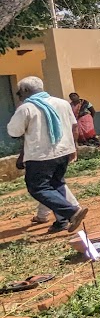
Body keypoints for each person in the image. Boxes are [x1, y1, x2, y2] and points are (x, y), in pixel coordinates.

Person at [7, 77, 89, 233]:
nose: (19, 96)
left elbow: (14, 131)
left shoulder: (27, 108)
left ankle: (72, 212)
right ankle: (62, 220)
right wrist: (74, 147)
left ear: (25, 91)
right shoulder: (63, 103)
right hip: (63, 152)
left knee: (37, 188)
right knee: (56, 184)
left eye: (19, 93)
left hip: (41, 156)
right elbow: (73, 126)